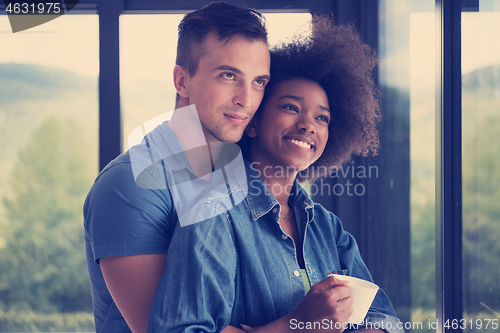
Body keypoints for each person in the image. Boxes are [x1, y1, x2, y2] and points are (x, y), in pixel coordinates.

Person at [148, 16, 404, 333]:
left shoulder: (327, 227)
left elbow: (384, 318)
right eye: (291, 108)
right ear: (252, 122)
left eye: (322, 117)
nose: (309, 125)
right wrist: (298, 324)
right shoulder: (212, 217)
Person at [83, 2, 270, 333]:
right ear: (182, 80)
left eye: (259, 82)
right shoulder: (129, 185)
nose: (247, 99)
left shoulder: (241, 178)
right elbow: (171, 327)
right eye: (229, 75)